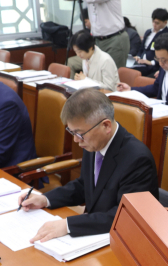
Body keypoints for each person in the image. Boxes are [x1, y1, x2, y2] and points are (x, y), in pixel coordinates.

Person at [20, 89, 159, 240]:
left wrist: (67, 225)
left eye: (79, 134)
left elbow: (124, 216)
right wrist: (45, 199)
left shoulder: (137, 160)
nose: (76, 140)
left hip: (123, 240)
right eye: (72, 132)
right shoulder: (93, 142)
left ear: (106, 126)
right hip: (97, 234)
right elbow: (85, 185)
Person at [133, 8, 168, 76]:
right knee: (125, 68)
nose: (154, 24)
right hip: (141, 62)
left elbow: (166, 55)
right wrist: (138, 57)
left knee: (133, 72)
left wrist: (151, 62)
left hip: (153, 66)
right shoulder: (148, 32)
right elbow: (141, 48)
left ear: (165, 22)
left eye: (157, 23)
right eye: (153, 22)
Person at [66, 8, 92, 78]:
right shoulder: (87, 31)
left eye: (86, 22)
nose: (85, 25)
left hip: (93, 56)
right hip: (87, 56)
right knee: (70, 61)